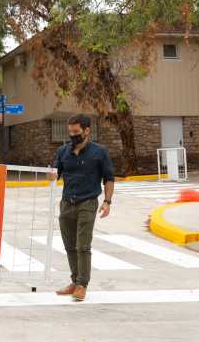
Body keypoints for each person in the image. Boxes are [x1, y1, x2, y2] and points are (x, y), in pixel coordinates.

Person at [49, 114, 114, 302]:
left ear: (87, 131)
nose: (72, 136)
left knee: (82, 246)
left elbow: (109, 178)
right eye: (70, 132)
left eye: (76, 132)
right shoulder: (63, 152)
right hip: (67, 203)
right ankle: (74, 281)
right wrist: (50, 175)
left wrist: (107, 201)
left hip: (88, 202)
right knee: (69, 246)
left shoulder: (99, 152)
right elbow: (55, 174)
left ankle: (82, 285)